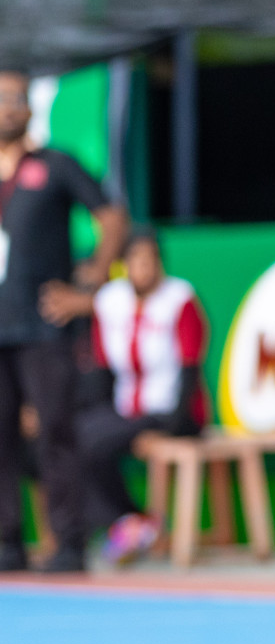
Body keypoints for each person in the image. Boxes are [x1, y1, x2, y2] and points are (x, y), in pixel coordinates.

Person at [0, 69, 128, 574]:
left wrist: (89, 287)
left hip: (44, 325)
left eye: (16, 98)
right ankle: (7, 542)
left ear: (31, 109)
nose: (8, 107)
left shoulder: (55, 166)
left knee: (55, 431)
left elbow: (111, 218)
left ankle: (69, 543)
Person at [78, 229, 209, 564]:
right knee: (78, 436)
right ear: (124, 265)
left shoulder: (179, 299)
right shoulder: (111, 301)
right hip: (127, 411)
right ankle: (132, 519)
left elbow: (190, 368)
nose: (143, 269)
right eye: (135, 261)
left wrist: (174, 425)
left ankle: (132, 522)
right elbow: (102, 371)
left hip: (173, 410)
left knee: (95, 439)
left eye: (149, 262)